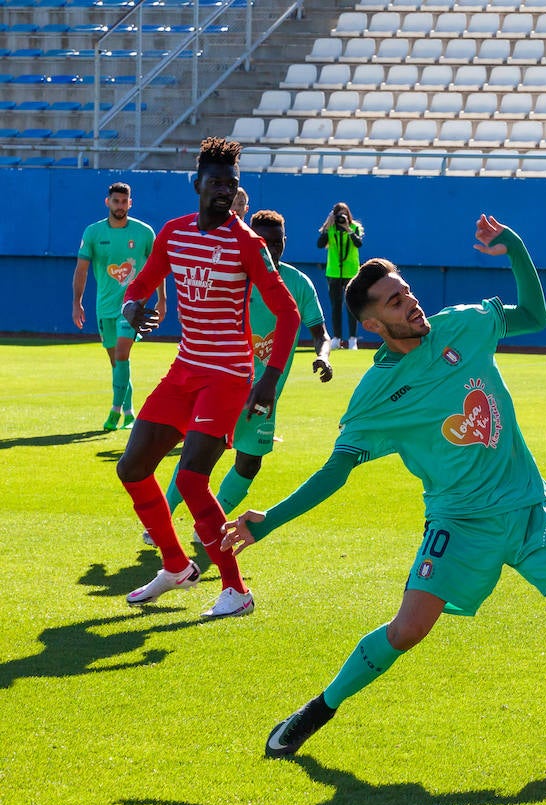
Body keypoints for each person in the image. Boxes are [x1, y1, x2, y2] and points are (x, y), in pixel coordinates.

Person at [220, 215, 546, 769]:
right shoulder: (376, 394)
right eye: (394, 301)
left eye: (406, 291)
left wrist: (514, 246)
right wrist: (269, 520)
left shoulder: (463, 325)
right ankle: (318, 709)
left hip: (530, 504)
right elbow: (336, 472)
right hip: (459, 523)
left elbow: (535, 315)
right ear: (373, 324)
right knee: (407, 631)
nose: (410, 302)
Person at [117, 137, 301, 619]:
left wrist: (268, 381)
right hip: (186, 368)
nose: (224, 190)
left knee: (193, 479)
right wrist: (132, 306)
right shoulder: (174, 233)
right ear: (197, 184)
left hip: (228, 375)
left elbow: (288, 313)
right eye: (216, 182)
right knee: (132, 468)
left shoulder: (248, 243)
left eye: (231, 184)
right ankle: (176, 566)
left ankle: (236, 591)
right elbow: (142, 283)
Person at [152, 208, 334, 540]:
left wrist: (323, 356)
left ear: (285, 242)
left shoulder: (298, 284)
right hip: (223, 384)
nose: (271, 249)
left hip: (265, 394)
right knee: (201, 453)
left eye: (277, 242)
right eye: (263, 242)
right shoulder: (230, 277)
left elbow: (320, 333)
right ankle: (161, 519)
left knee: (249, 463)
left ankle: (210, 523)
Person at [72, 182, 166, 431]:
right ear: (108, 202)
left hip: (133, 306)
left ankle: (114, 410)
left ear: (130, 203)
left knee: (123, 354)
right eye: (116, 201)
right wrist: (77, 302)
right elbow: (81, 270)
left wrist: (162, 299)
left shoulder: (144, 232)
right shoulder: (93, 232)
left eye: (124, 201)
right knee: (116, 362)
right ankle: (129, 412)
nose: (120, 206)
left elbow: (158, 268)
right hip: (104, 307)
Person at [318, 201, 364, 350]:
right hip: (334, 272)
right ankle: (337, 338)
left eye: (344, 214)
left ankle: (352, 339)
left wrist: (348, 229)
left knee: (351, 305)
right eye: (339, 215)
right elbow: (320, 244)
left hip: (351, 271)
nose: (342, 217)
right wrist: (327, 225)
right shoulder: (331, 228)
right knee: (335, 305)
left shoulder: (354, 227)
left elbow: (358, 244)